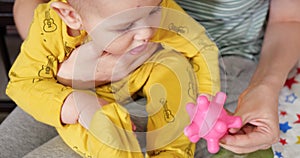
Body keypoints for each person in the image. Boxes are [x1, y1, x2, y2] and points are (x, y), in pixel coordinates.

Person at [2, 0, 299, 157]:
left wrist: (207, 100)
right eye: (128, 24)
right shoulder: (55, 23)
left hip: (210, 62)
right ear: (69, 16)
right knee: (9, 144)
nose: (146, 32)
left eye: (153, 11)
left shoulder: (162, 14)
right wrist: (70, 86)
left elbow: (200, 48)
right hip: (73, 68)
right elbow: (24, 83)